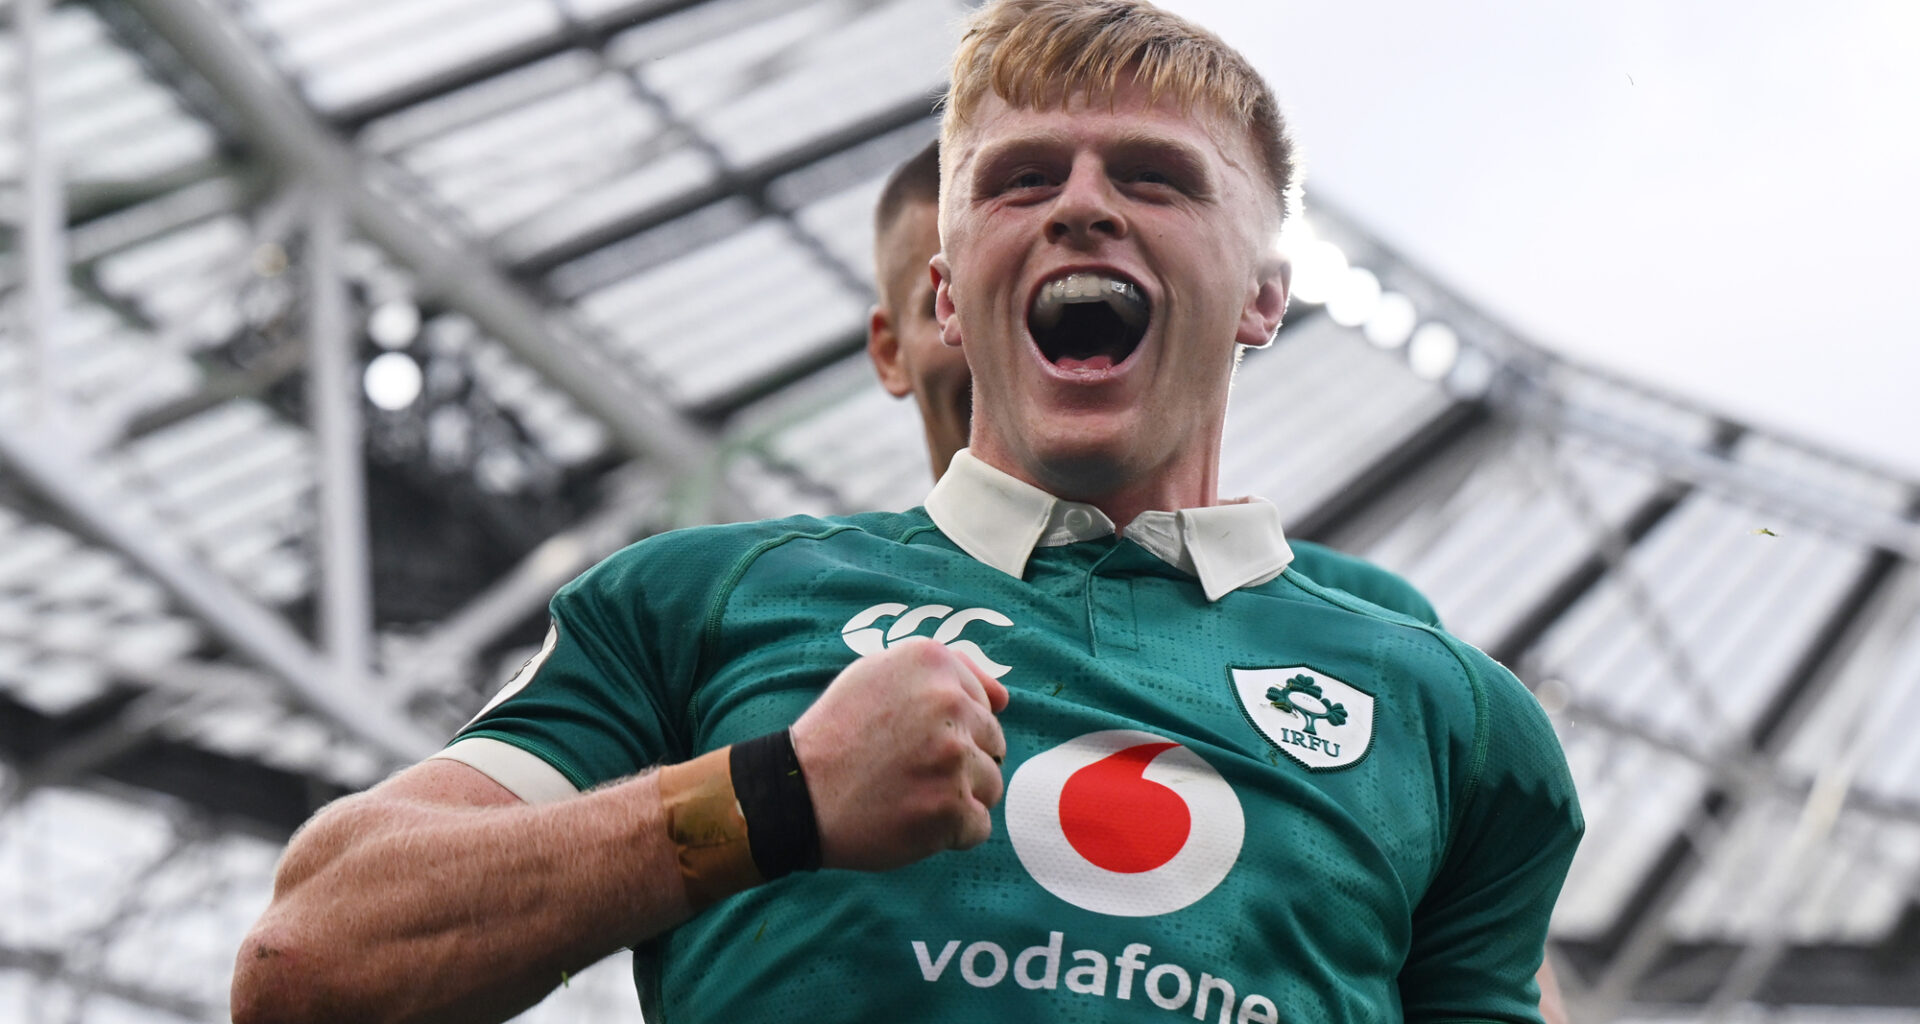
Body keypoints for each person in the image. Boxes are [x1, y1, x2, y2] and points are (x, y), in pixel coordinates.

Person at [232, 2, 1581, 1022]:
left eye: (1155, 178)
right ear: (943, 299)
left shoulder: (1451, 716)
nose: (1083, 211)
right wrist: (774, 795)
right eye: (1020, 180)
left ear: (1267, 297)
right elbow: (309, 958)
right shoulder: (701, 602)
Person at [865, 138, 1574, 1023]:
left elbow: (1481, 976)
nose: (1025, 294)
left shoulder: (1382, 640)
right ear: (901, 340)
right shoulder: (798, 609)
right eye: (958, 284)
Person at [867, 137, 1443, 625]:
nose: (1002, 338)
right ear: (892, 352)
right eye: (961, 302)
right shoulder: (810, 587)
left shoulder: (1369, 621)